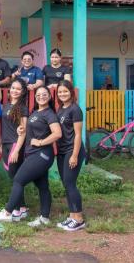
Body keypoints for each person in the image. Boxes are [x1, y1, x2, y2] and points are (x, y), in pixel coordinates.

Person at [0, 86, 61, 226]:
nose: (41, 96)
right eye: (38, 95)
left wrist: (40, 142)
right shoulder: (36, 112)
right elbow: (29, 131)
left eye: (44, 94)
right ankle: (44, 218)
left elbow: (57, 134)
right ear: (35, 97)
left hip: (42, 154)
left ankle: (8, 212)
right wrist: (21, 130)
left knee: (18, 180)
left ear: (50, 97)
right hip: (34, 154)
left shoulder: (49, 114)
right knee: (43, 187)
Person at [55, 80, 86, 231]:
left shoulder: (75, 109)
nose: (62, 94)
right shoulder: (60, 109)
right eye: (60, 92)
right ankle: (72, 216)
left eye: (65, 91)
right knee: (66, 184)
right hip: (61, 152)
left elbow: (78, 135)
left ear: (71, 92)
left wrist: (74, 155)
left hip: (72, 151)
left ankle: (79, 218)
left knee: (70, 183)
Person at [0, 79, 29, 221]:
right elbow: (4, 127)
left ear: (22, 92)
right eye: (13, 88)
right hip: (5, 144)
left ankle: (16, 209)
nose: (15, 91)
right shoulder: (6, 106)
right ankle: (22, 208)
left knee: (15, 178)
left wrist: (17, 150)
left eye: (18, 89)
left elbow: (23, 131)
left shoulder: (22, 107)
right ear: (9, 89)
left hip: (14, 145)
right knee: (14, 177)